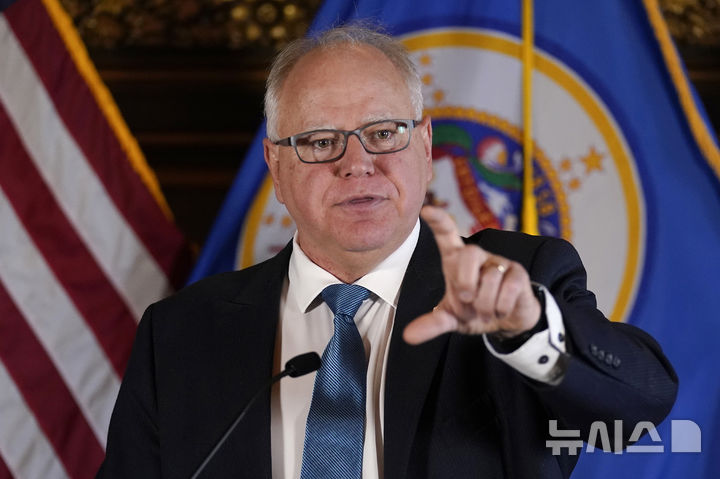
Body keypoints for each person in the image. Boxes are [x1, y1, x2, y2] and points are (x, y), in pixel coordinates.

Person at [97, 24, 677, 479]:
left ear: (424, 148)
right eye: (321, 141)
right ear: (275, 166)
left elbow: (638, 410)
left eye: (383, 133)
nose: (357, 164)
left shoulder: (520, 284)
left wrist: (526, 329)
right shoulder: (180, 334)